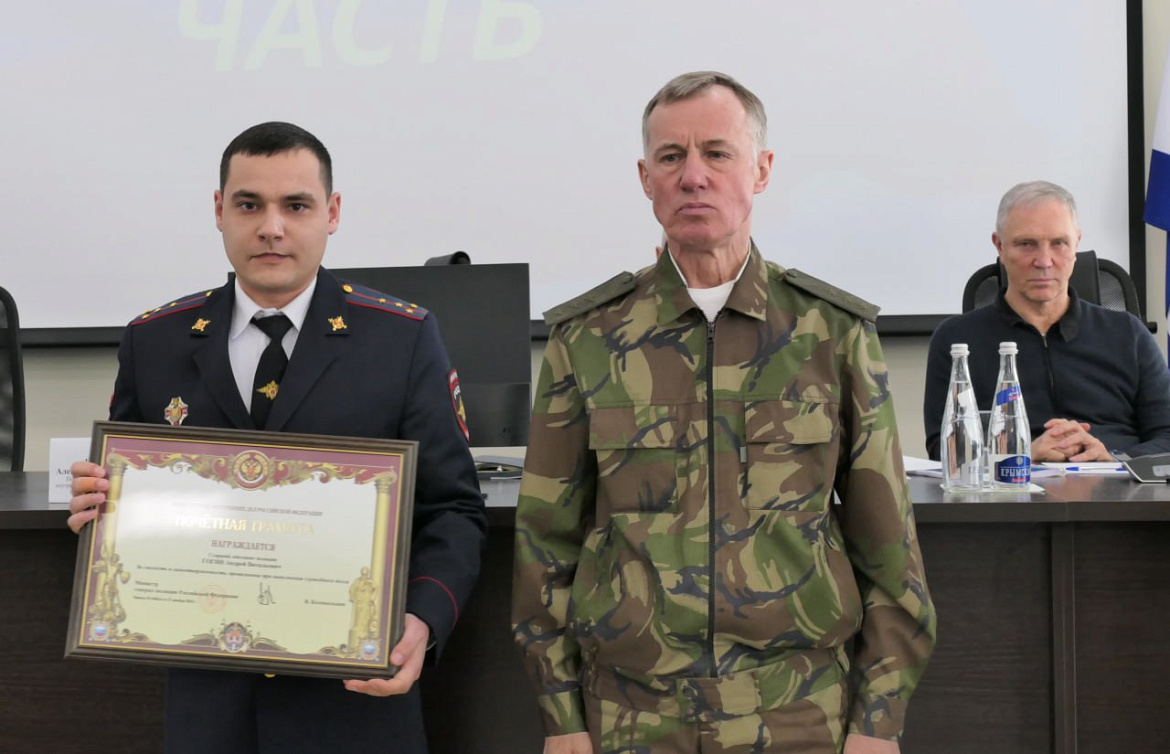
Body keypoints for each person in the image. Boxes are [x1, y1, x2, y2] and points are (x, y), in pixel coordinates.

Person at [512, 72, 936, 754]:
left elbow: (889, 549)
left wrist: (878, 721)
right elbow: (544, 545)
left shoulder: (831, 334)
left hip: (799, 714)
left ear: (761, 170)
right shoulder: (587, 340)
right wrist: (561, 719)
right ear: (646, 179)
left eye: (717, 153)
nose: (693, 176)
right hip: (631, 715)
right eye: (670, 157)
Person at [67, 122, 486, 754]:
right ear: (218, 210)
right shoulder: (154, 341)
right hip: (211, 710)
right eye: (248, 204)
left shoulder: (401, 339)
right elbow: (131, 519)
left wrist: (422, 619)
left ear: (332, 213)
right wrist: (99, 510)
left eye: (296, 205)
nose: (271, 227)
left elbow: (453, 507)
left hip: (353, 706)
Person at [923, 180, 1170, 462]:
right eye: (1026, 244)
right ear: (999, 246)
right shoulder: (957, 340)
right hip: (1010, 485)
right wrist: (1021, 455)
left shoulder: (1128, 333)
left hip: (1116, 483)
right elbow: (944, 450)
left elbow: (1167, 435)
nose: (1043, 261)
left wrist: (1114, 458)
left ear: (1076, 244)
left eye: (1058, 243)